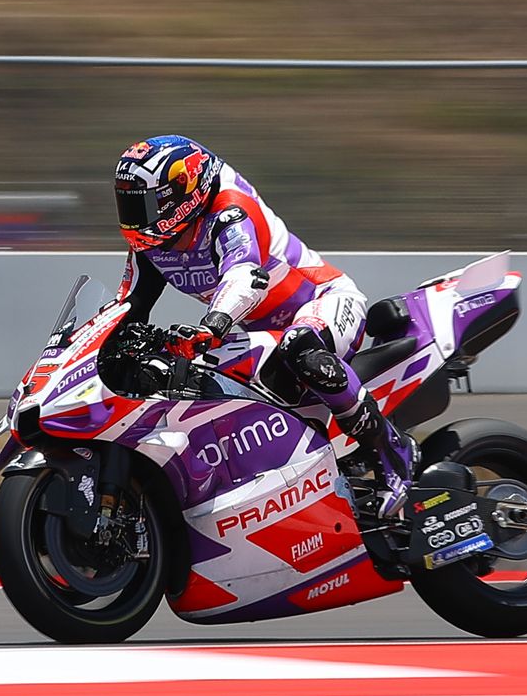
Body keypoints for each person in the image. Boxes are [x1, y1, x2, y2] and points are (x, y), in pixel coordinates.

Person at [112, 134, 416, 519]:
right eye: (128, 201)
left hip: (324, 301)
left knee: (299, 345)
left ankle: (391, 450)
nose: (135, 215)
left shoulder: (229, 209)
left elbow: (244, 275)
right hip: (258, 330)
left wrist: (210, 327)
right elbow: (129, 306)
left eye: (145, 202)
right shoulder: (152, 243)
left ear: (182, 192)